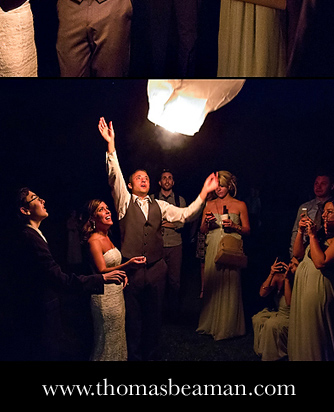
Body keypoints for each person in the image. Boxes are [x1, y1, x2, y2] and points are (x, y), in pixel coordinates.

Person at [98, 117, 217, 360]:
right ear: (130, 185)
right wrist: (111, 146)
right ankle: (134, 356)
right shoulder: (124, 202)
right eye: (138, 178)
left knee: (154, 319)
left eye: (146, 177)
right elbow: (114, 175)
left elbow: (185, 214)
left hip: (156, 269)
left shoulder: (159, 205)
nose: (144, 179)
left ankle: (151, 355)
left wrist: (204, 193)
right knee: (133, 319)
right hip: (131, 271)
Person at [12, 188, 126, 361]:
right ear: (25, 210)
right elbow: (58, 277)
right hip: (41, 309)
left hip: (49, 306)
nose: (42, 200)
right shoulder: (29, 237)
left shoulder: (36, 234)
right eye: (35, 198)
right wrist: (100, 278)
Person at [82, 198, 145, 361]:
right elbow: (102, 270)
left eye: (107, 208)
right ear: (93, 218)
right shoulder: (94, 240)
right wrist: (128, 265)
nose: (108, 211)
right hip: (104, 299)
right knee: (106, 341)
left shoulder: (107, 237)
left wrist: (123, 273)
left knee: (117, 338)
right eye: (102, 210)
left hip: (117, 295)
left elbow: (113, 266)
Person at [287, 199, 334, 361]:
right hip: (303, 287)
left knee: (316, 332)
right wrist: (300, 232)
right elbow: (298, 254)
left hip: (320, 289)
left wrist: (312, 235)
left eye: (330, 212)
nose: (325, 215)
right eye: (324, 211)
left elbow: (321, 262)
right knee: (304, 328)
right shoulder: (320, 235)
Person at [196, 170, 250, 341]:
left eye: (222, 185)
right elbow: (202, 231)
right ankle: (211, 324)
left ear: (229, 186)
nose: (219, 188)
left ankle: (229, 327)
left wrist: (235, 226)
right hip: (212, 245)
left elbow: (248, 230)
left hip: (231, 247)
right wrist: (207, 222)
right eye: (217, 185)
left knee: (230, 284)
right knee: (214, 283)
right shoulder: (209, 204)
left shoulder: (240, 204)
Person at [252, 255, 298, 360]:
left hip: (291, 317)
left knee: (271, 324)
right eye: (291, 263)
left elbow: (289, 303)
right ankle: (262, 351)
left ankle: (273, 356)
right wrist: (271, 274)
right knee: (258, 319)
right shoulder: (279, 277)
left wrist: (287, 281)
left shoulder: (297, 280)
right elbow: (262, 293)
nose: (291, 266)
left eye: (295, 265)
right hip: (279, 314)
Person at [155, 169, 186, 316]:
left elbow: (181, 224)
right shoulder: (152, 199)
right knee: (157, 280)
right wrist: (170, 222)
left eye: (170, 178)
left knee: (174, 281)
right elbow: (150, 222)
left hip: (175, 245)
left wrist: (163, 222)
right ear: (160, 182)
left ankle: (174, 312)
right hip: (157, 245)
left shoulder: (180, 200)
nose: (167, 180)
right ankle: (158, 311)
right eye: (164, 178)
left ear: (173, 182)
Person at [289, 173, 334, 258]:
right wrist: (293, 256)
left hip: (325, 253)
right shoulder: (305, 207)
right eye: (316, 183)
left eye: (323, 184)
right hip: (303, 253)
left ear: (332, 186)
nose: (318, 187)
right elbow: (296, 232)